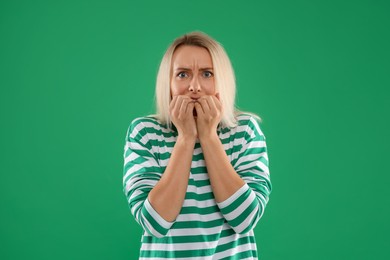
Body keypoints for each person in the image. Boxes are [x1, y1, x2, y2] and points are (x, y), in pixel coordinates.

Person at [123, 31, 272, 259]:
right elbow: (154, 223)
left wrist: (209, 136)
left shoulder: (245, 131)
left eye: (207, 74)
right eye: (182, 74)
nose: (195, 86)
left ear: (221, 81)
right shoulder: (144, 132)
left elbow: (245, 219)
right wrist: (185, 138)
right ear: (169, 83)